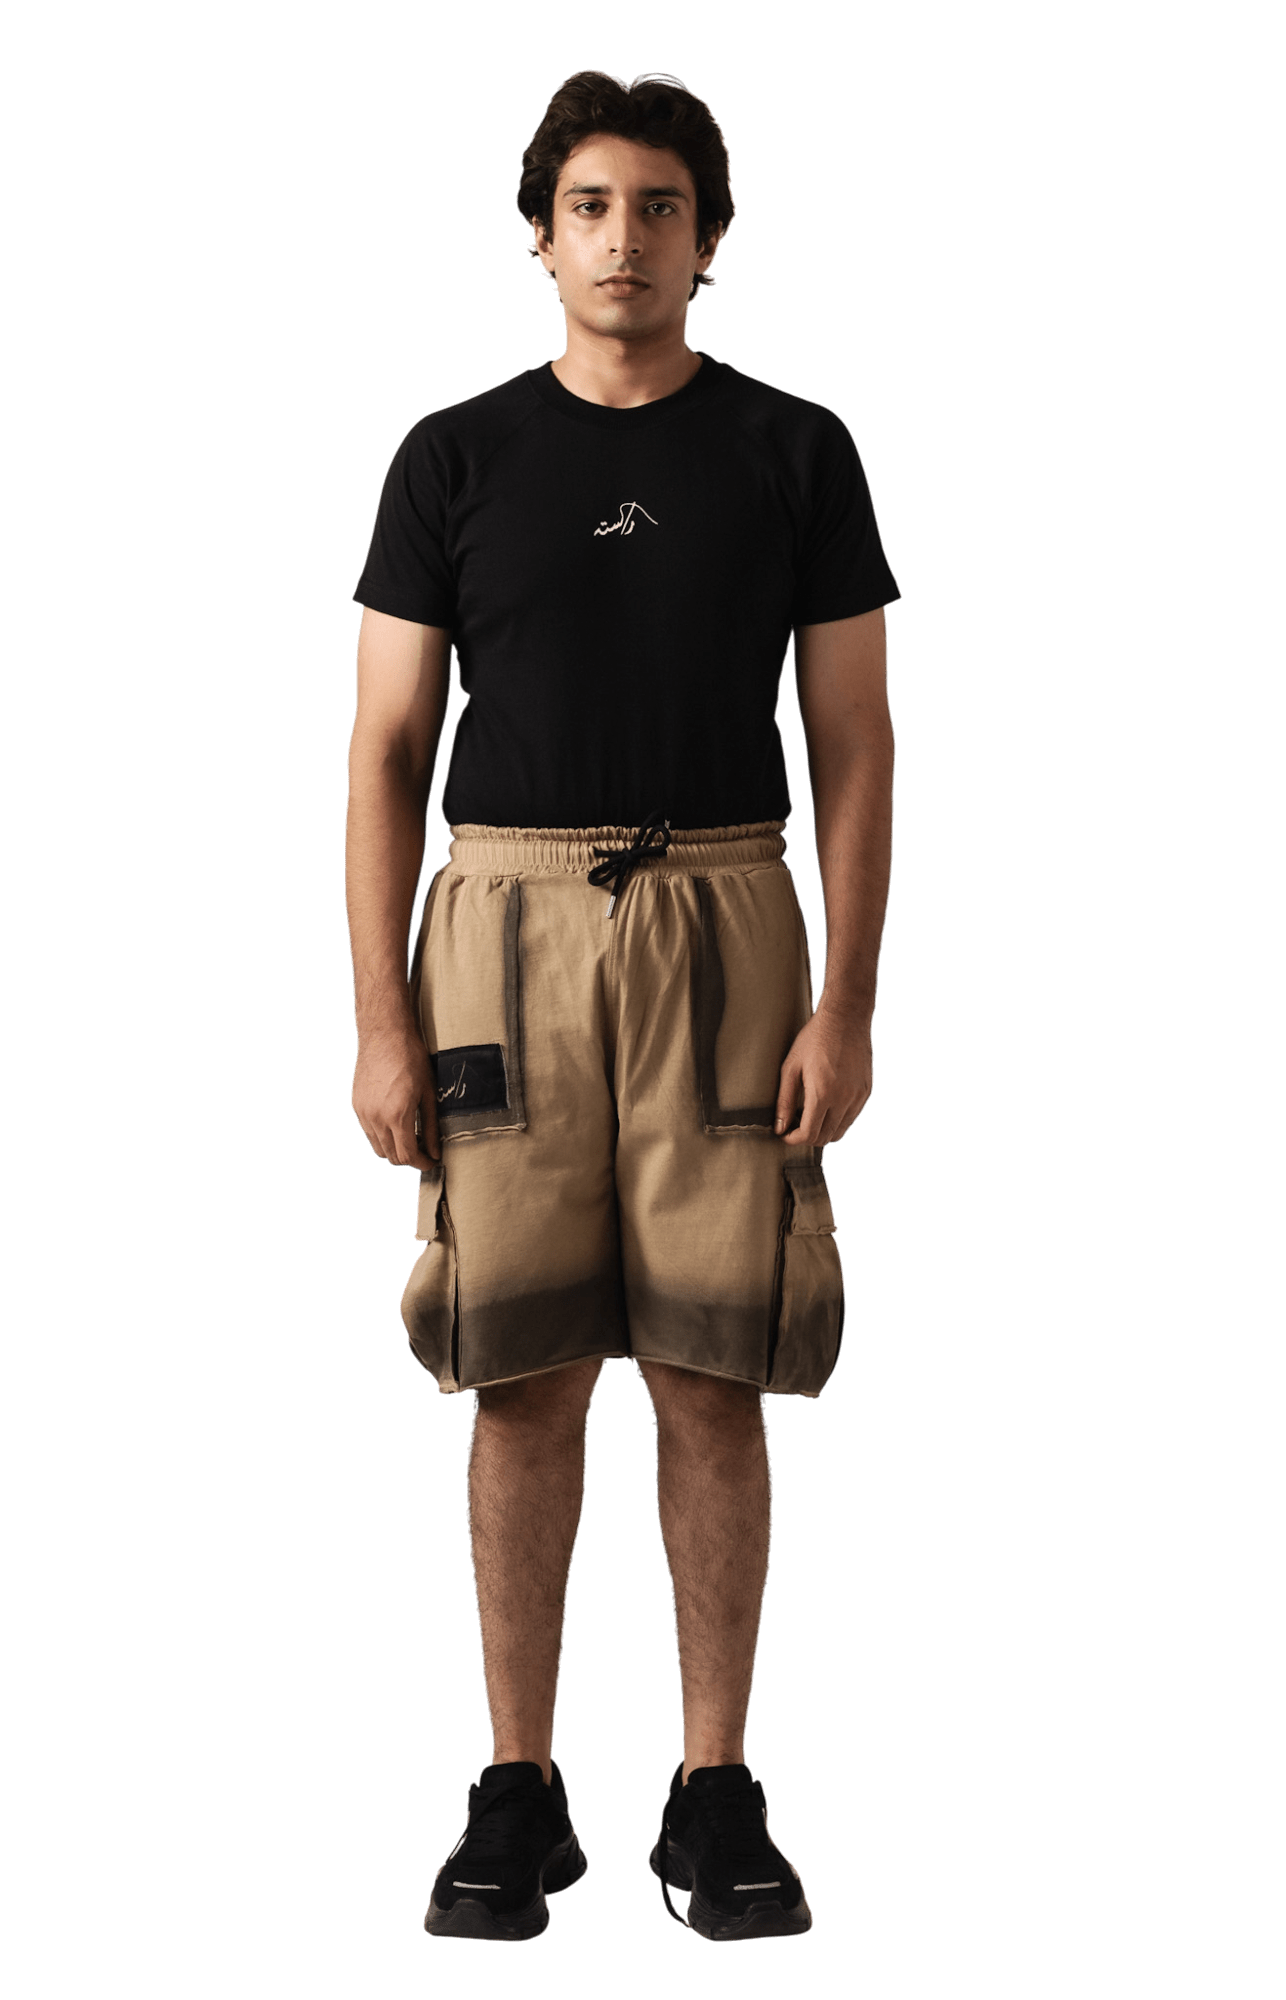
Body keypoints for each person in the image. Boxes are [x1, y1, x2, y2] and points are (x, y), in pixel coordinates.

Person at [345, 70, 901, 1945]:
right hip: (500, 926)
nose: (625, 238)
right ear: (540, 235)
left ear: (708, 240)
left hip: (729, 920)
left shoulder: (796, 449)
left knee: (714, 1372)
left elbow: (853, 740)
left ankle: (713, 1789)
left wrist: (850, 1000)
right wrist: (380, 1019)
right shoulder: (452, 457)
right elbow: (385, 749)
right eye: (590, 204)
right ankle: (519, 1790)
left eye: (662, 206)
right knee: (516, 1376)